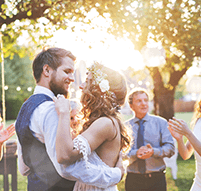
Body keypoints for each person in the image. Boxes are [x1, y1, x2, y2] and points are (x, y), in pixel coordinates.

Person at [16, 47, 125, 191]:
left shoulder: (26, 108)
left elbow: (24, 168)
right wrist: (116, 174)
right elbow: (65, 167)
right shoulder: (52, 109)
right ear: (47, 71)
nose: (73, 80)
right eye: (67, 71)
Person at [54, 62, 132, 191]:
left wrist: (63, 114)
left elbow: (64, 156)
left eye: (87, 81)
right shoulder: (104, 121)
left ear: (99, 89)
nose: (80, 86)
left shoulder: (105, 123)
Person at [168, 79, 201, 190]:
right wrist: (180, 139)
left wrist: (188, 133)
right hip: (199, 184)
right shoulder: (199, 121)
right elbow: (186, 155)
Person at [125, 88, 175, 191]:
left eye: (145, 100)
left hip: (157, 180)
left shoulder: (161, 123)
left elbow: (170, 149)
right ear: (131, 106)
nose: (144, 104)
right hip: (133, 180)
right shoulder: (125, 127)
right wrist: (136, 153)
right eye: (139, 101)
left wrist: (153, 152)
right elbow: (119, 153)